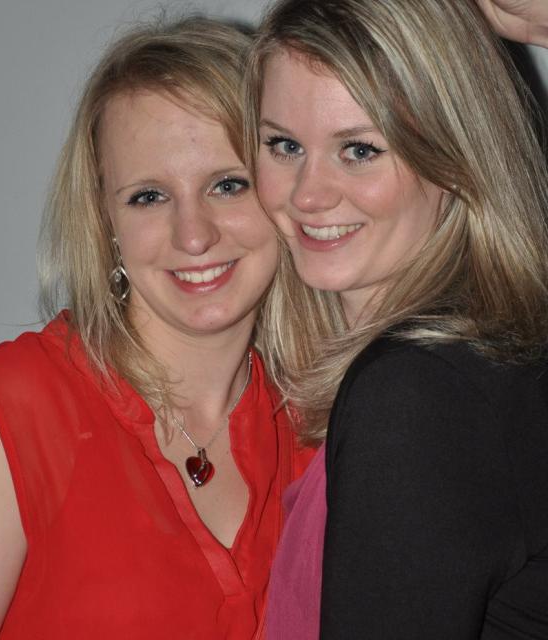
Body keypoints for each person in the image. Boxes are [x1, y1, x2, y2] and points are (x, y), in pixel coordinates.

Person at [0, 17, 323, 639]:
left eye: (227, 185)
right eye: (148, 197)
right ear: (106, 223)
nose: (194, 235)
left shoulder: (321, 426)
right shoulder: (15, 413)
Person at [245, 0, 548, 638]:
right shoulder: (481, 361)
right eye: (284, 145)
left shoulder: (416, 394)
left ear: (453, 157)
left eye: (359, 149)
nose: (307, 194)